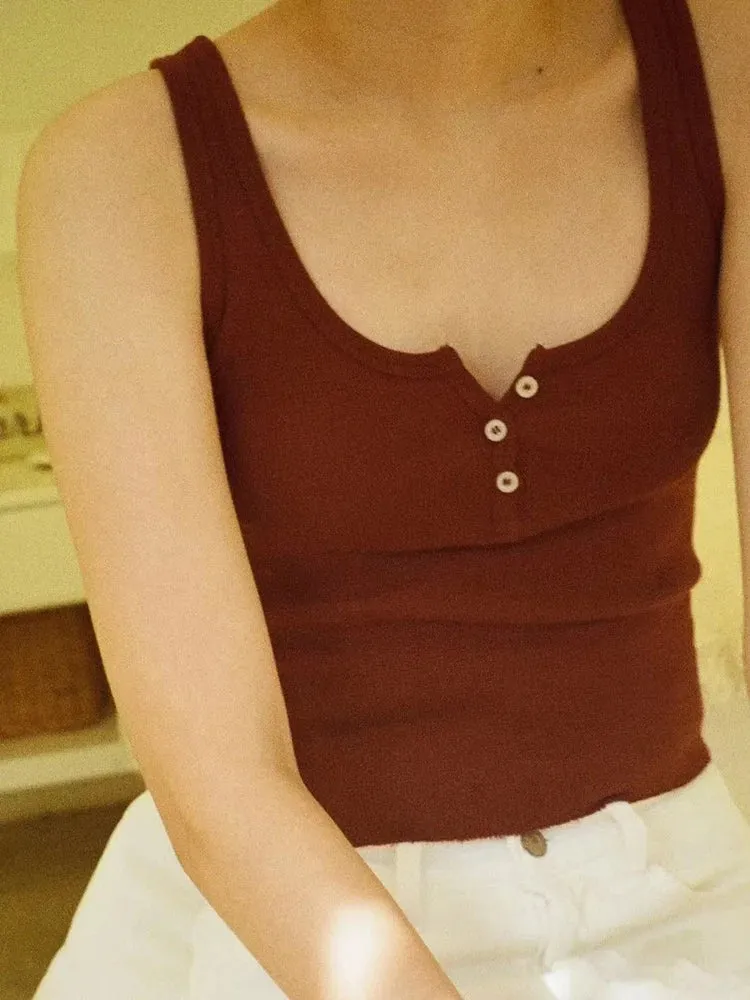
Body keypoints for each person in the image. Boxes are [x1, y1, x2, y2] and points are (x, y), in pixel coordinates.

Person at [15, 0, 750, 996]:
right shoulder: (118, 170)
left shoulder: (726, 60)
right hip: (292, 912)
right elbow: (220, 783)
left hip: (676, 888)